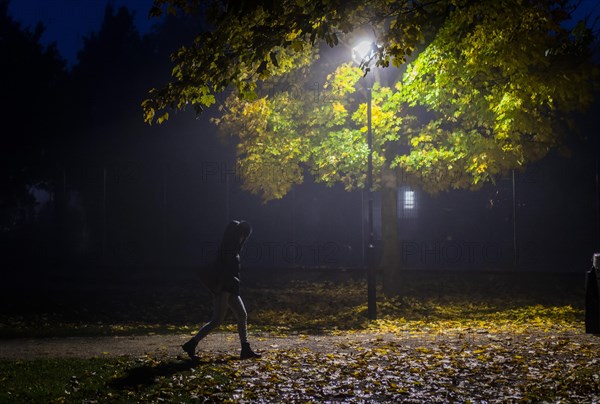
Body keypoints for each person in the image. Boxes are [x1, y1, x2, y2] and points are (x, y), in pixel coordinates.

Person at [182, 220, 261, 360]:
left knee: (242, 315)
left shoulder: (232, 248)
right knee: (217, 320)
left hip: (230, 288)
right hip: (224, 289)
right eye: (244, 235)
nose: (244, 238)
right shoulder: (229, 249)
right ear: (239, 234)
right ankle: (192, 344)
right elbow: (224, 271)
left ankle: (245, 348)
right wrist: (222, 288)